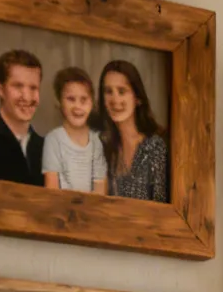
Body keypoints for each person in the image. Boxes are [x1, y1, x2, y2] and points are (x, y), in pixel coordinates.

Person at [97, 60, 168, 202]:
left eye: (122, 91)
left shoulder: (154, 147)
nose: (115, 99)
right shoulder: (102, 146)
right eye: (108, 91)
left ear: (137, 98)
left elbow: (162, 207)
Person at [0, 48, 45, 185]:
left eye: (33, 88)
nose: (27, 97)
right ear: (0, 90)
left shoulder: (46, 148)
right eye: (18, 86)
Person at [42, 67, 107, 193]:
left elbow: (100, 192)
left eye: (84, 100)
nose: (78, 106)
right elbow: (52, 191)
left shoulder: (98, 141)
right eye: (71, 99)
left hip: (92, 210)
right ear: (59, 101)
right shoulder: (53, 140)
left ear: (92, 102)